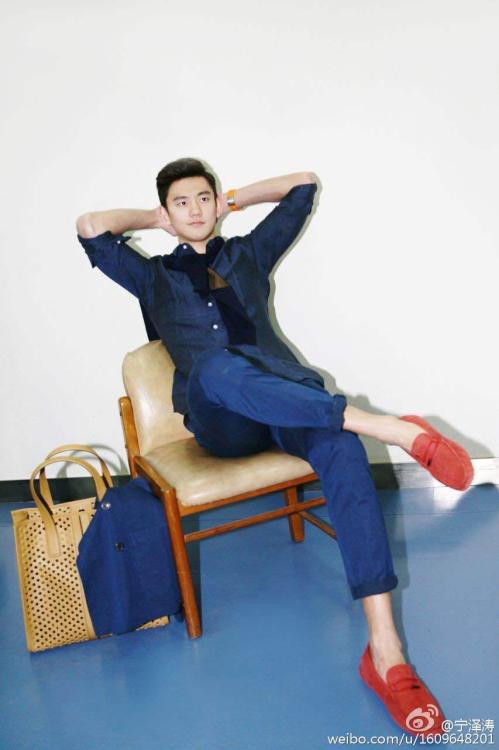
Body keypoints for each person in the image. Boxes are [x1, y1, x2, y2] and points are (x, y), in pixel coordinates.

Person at [76, 157, 473, 737]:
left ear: (218, 202)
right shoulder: (152, 276)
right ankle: (389, 428)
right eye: (182, 202)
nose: (195, 209)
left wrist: (234, 201)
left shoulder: (249, 253)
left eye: (204, 197)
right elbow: (90, 226)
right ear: (167, 211)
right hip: (224, 422)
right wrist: (152, 219)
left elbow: (302, 185)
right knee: (216, 366)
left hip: (290, 408)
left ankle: (385, 652)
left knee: (341, 452)